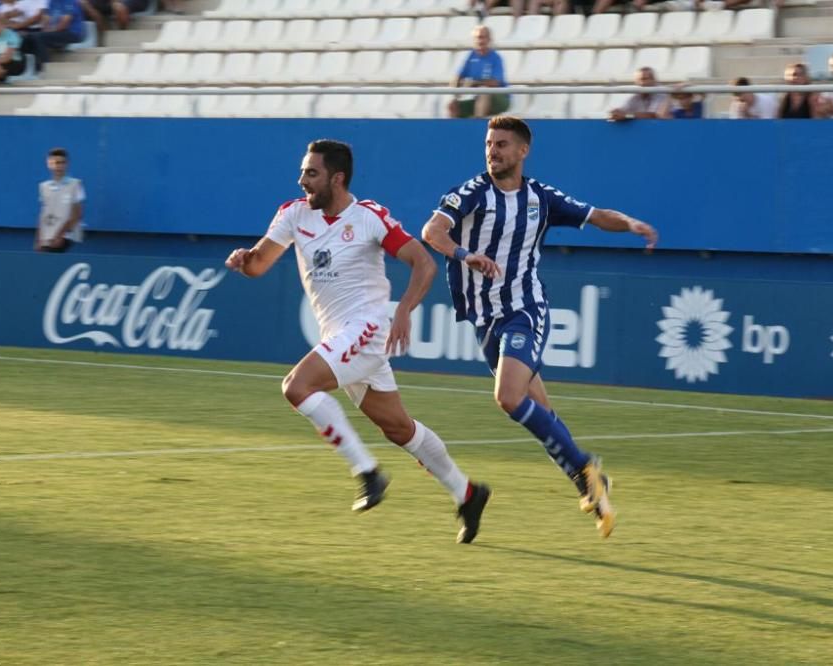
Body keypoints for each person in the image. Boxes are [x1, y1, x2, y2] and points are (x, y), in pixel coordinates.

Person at [224, 139, 491, 544]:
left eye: (311, 174)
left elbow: (423, 262)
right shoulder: (294, 214)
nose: (302, 181)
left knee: (296, 386)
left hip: (366, 328)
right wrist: (244, 261)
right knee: (398, 428)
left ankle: (367, 472)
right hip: (339, 336)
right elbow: (259, 264)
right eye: (302, 172)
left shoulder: (369, 217)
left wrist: (402, 311)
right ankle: (467, 493)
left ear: (337, 177)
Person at [421, 116, 658, 539]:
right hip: (485, 319)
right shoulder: (472, 192)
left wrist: (631, 224)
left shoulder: (540, 198)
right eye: (489, 143)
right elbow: (432, 231)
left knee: (509, 398)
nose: (493, 151)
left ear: (523, 151)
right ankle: (590, 482)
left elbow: (595, 215)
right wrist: (465, 254)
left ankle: (586, 470)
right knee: (541, 413)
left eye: (503, 144)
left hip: (525, 310)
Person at [448, 25, 510, 119]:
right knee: (453, 106)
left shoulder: (496, 58)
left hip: (499, 98)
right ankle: (455, 131)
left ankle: (477, 128)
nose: (479, 41)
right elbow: (458, 76)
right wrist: (457, 90)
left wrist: (474, 84)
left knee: (484, 92)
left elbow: (494, 83)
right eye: (477, 38)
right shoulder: (471, 56)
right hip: (478, 98)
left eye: (482, 37)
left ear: (489, 39)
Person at [35, 147, 85, 253]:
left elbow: (77, 214)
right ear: (49, 164)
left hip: (66, 236)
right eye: (55, 163)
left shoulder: (75, 185)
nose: (59, 166)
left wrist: (60, 235)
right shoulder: (44, 187)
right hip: (47, 237)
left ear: (67, 164)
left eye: (62, 163)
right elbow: (43, 213)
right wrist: (38, 238)